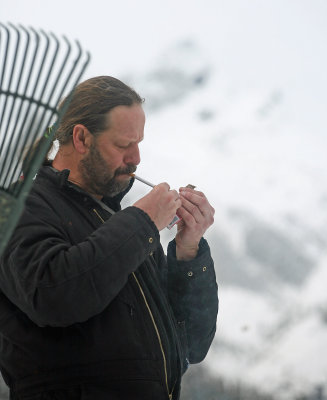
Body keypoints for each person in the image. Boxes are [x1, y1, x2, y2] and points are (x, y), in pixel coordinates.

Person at [0, 76, 218, 400]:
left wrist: (188, 252)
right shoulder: (21, 206)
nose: (137, 158)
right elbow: (54, 295)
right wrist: (143, 221)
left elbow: (190, 345)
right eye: (123, 145)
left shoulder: (118, 222)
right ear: (81, 138)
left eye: (139, 142)